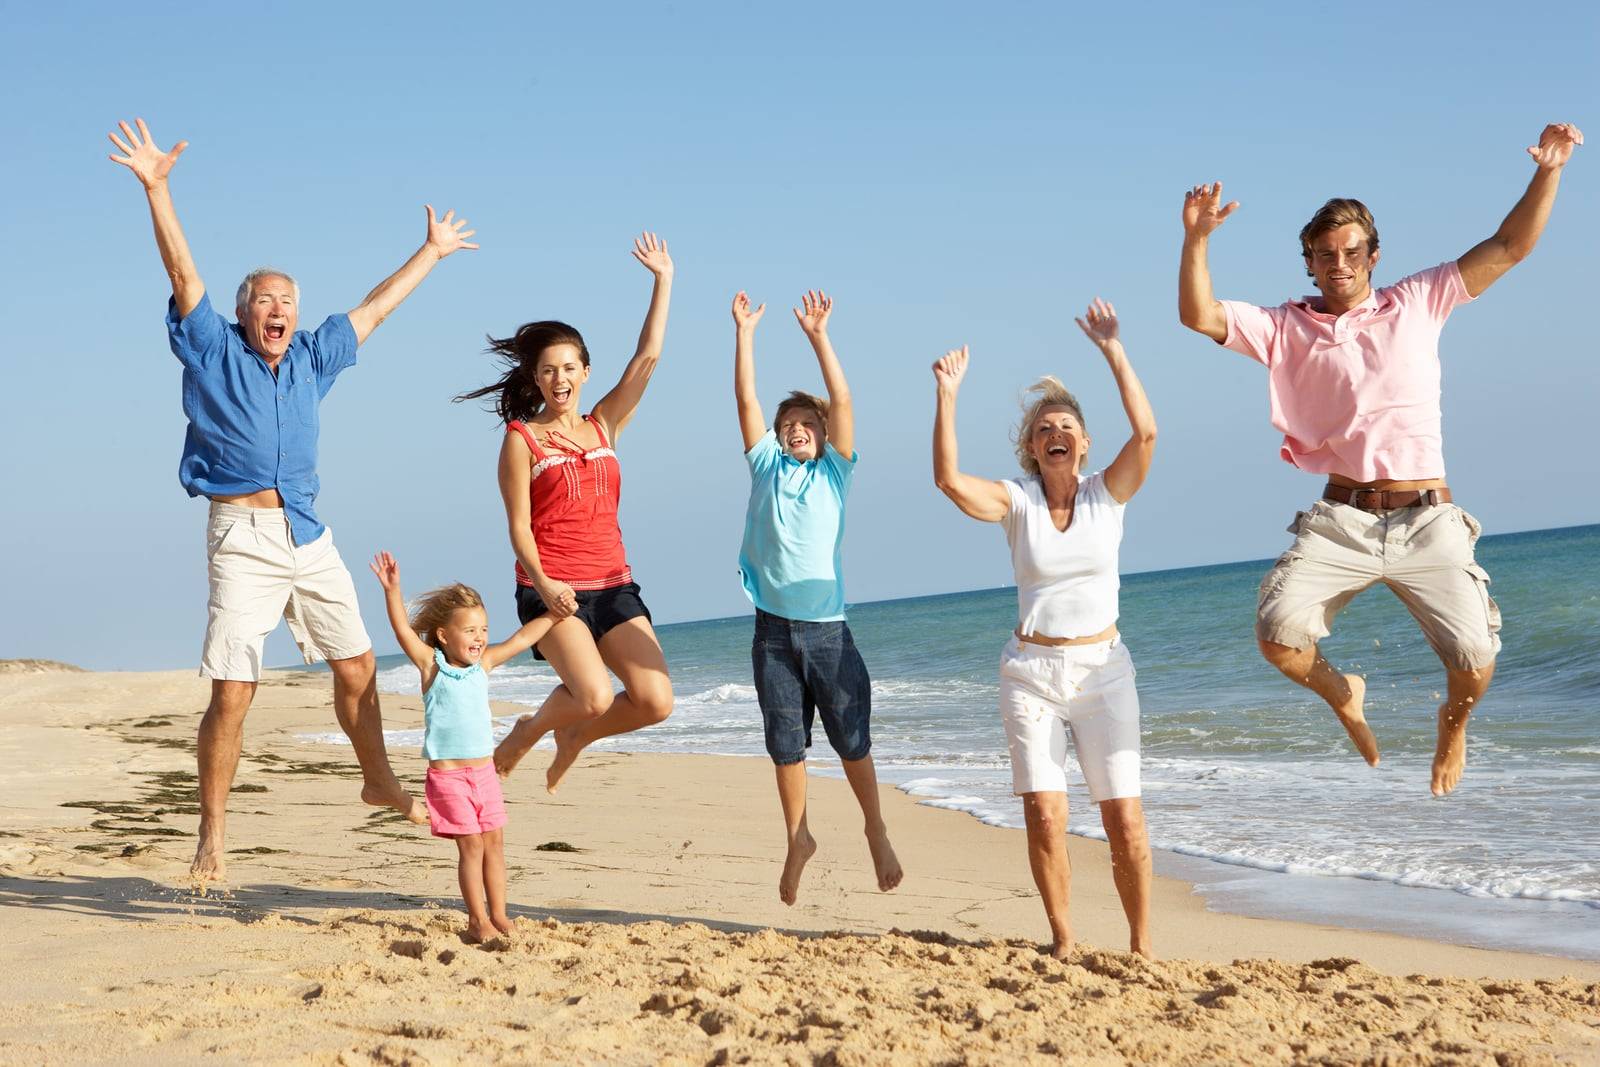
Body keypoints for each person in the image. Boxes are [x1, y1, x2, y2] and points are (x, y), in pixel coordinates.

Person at [107, 117, 479, 881]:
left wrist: (433, 253)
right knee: (235, 688)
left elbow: (374, 309)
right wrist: (158, 189)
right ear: (244, 313)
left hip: (308, 533)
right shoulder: (212, 347)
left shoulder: (312, 355)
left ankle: (376, 778)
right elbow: (185, 278)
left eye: (286, 301)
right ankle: (213, 830)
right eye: (263, 300)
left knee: (357, 664)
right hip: (240, 534)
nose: (276, 310)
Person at [1177, 122, 1584, 796]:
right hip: (1345, 520)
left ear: (1373, 256)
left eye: (1351, 252)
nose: (1338, 264)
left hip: (1427, 517)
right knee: (1278, 636)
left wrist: (1550, 170)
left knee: (1476, 660)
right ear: (1308, 260)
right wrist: (1196, 240)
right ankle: (1343, 690)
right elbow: (1198, 315)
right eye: (1324, 253)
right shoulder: (1285, 327)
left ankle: (1452, 725)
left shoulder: (1418, 301)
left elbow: (1510, 246)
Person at [931, 299, 1158, 960]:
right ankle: (1064, 939)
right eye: (1043, 428)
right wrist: (947, 396)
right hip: (1031, 673)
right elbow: (947, 480)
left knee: (1125, 820)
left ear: (1083, 443)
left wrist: (1114, 350)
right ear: (1032, 448)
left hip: (1104, 671)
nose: (1055, 432)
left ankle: (1142, 946)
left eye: (1066, 425)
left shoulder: (1106, 494)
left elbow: (1145, 436)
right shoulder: (1018, 501)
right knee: (1047, 813)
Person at [470, 233, 676, 792]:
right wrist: (545, 582)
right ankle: (530, 731)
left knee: (656, 701)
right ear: (536, 379)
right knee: (594, 695)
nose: (558, 380)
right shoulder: (522, 439)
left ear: (585, 371)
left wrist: (663, 280)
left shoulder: (606, 425)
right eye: (547, 371)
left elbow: (648, 359)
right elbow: (517, 526)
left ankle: (576, 736)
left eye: (568, 368)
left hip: (614, 584)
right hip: (550, 587)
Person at [730, 289, 903, 905]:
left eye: (808, 424)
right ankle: (798, 837)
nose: (797, 430)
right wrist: (745, 333)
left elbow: (846, 400)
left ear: (824, 435)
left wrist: (818, 336)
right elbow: (746, 398)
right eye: (788, 426)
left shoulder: (836, 471)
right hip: (772, 630)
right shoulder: (768, 469)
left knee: (850, 736)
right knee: (784, 742)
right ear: (776, 439)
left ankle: (875, 828)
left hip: (827, 630)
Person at [369, 553, 552, 943]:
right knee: (470, 846)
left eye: (483, 629)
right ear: (442, 635)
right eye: (469, 630)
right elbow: (403, 630)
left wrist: (554, 614)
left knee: (495, 843)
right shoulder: (431, 666)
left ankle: (500, 915)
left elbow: (521, 639)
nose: (479, 637)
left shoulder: (483, 665)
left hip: (485, 774)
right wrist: (392, 591)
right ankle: (476, 919)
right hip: (449, 777)